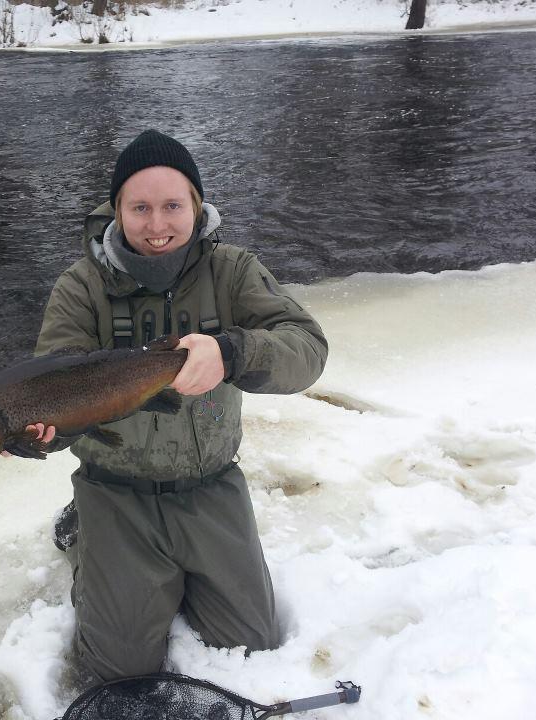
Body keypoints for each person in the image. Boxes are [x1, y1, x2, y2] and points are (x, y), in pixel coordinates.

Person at [28, 130, 327, 681]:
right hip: (115, 491)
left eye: (172, 206)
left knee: (251, 643)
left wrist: (233, 352)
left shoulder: (233, 271)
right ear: (117, 211)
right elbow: (55, 380)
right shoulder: (81, 287)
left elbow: (307, 349)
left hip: (210, 484)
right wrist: (41, 430)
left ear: (197, 204)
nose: (157, 224)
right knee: (119, 669)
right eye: (139, 208)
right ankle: (85, 537)